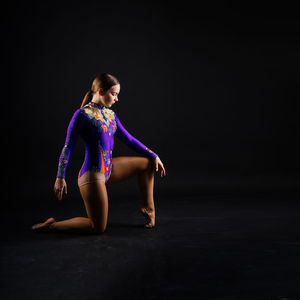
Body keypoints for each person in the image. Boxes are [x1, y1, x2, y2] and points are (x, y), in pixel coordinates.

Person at [32, 73, 166, 234]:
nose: (117, 99)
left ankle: (149, 209)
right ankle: (51, 225)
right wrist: (60, 177)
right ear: (101, 91)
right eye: (114, 94)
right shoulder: (82, 115)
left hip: (109, 170)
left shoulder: (111, 115)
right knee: (97, 227)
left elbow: (130, 140)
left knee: (148, 163)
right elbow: (68, 147)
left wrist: (154, 155)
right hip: (92, 175)